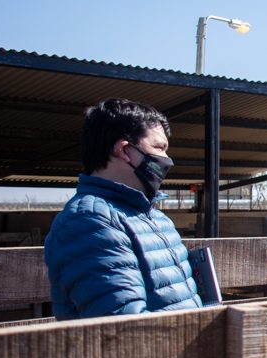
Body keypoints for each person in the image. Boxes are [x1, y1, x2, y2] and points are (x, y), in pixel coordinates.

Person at [45, 98, 202, 320]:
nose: (166, 159)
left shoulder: (156, 217)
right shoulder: (90, 222)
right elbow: (124, 330)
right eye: (158, 148)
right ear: (125, 151)